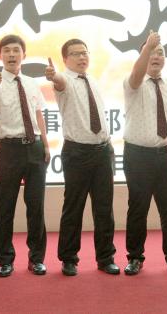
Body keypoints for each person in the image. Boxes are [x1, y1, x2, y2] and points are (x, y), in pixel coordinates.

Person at [45, 38, 118, 276]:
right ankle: (68, 258)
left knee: (104, 208)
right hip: (77, 152)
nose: (82, 57)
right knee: (74, 207)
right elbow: (59, 80)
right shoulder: (65, 80)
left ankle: (106, 258)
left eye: (84, 53)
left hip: (103, 151)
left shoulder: (92, 80)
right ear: (65, 59)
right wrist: (54, 75)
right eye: (76, 54)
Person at [0, 34, 51, 277]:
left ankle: (37, 259)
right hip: (9, 150)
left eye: (16, 50)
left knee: (36, 206)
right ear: (0, 55)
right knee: (6, 206)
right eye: (7, 50)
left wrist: (46, 145)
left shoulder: (32, 83)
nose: (11, 54)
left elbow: (39, 115)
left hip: (35, 147)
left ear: (24, 55)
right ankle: (5, 260)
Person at [123, 31, 167, 276]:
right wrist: (147, 47)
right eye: (151, 53)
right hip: (138, 155)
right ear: (142, 56)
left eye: (160, 53)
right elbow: (137, 74)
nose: (156, 56)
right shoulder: (133, 82)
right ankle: (135, 257)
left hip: (166, 155)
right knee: (138, 208)